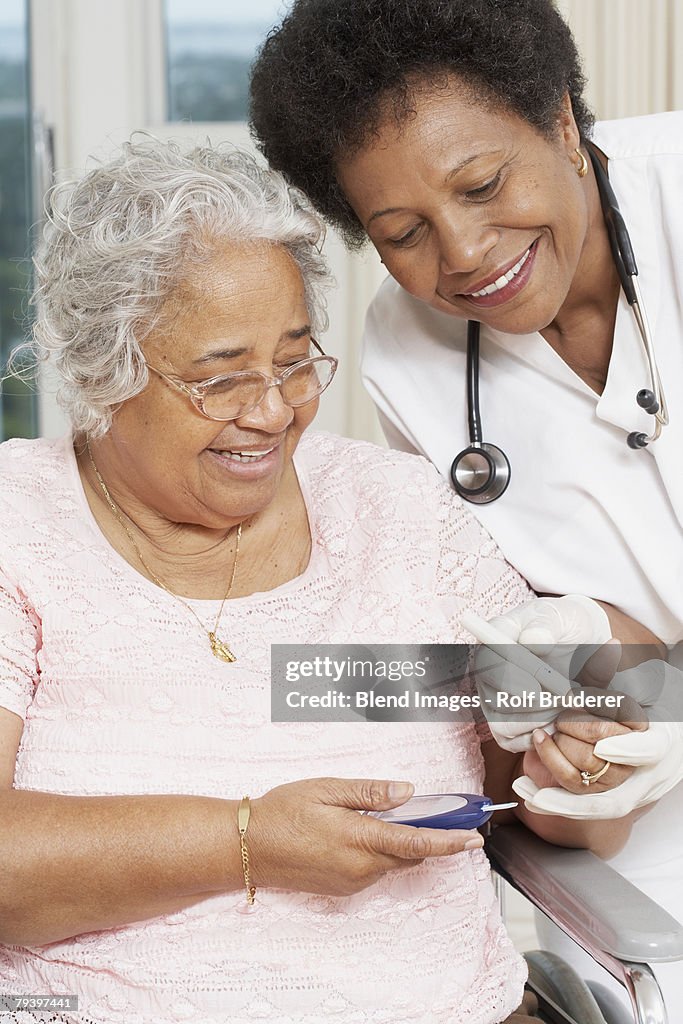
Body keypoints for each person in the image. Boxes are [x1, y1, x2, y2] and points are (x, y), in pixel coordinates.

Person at [0, 138, 642, 1024]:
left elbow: (547, 784)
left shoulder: (398, 512)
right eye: (220, 379)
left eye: (295, 360)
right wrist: (247, 842)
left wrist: (582, 754)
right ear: (100, 376)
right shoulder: (17, 526)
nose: (270, 411)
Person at [249, 0, 683, 1010]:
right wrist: (571, 669)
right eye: (400, 233)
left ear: (563, 122)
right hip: (652, 845)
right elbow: (588, 671)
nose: (465, 253)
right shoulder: (407, 349)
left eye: (482, 184)